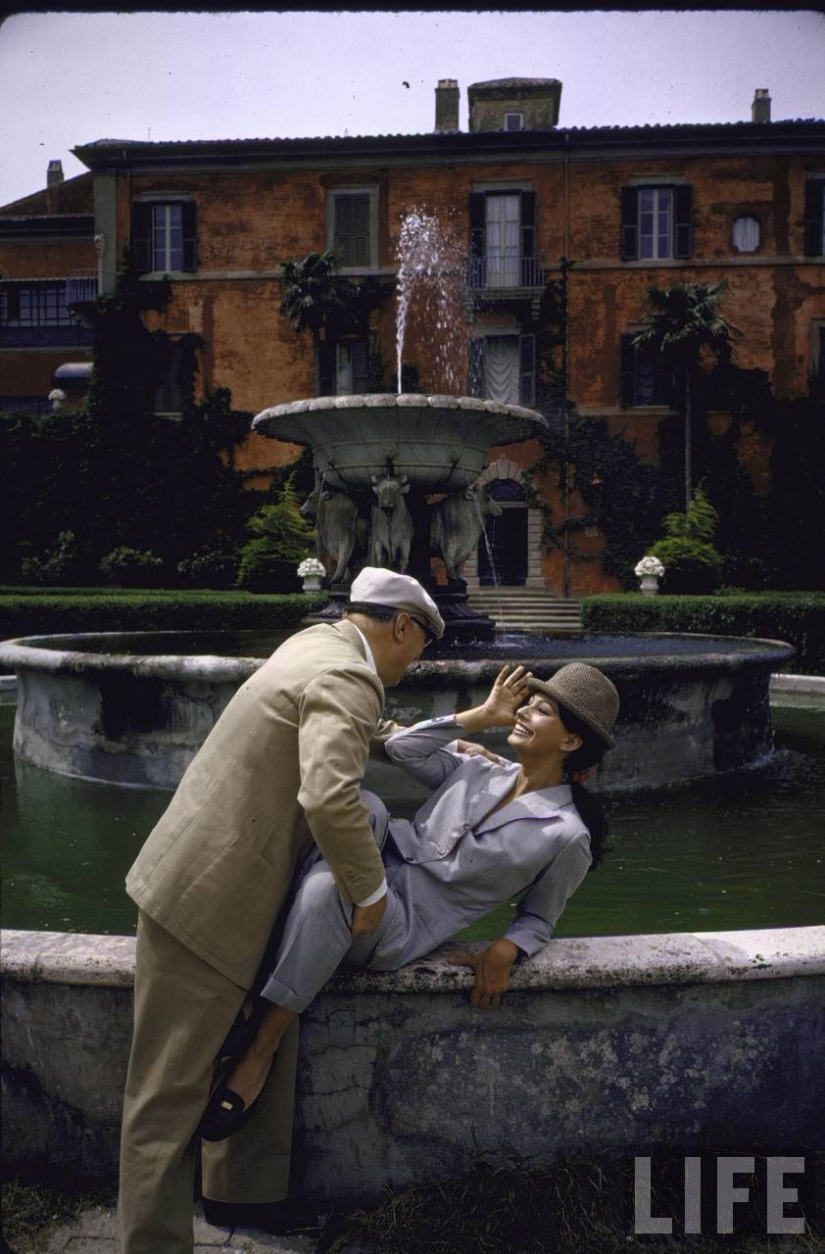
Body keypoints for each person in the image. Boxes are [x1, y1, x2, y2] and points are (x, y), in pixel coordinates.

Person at [117, 567, 445, 1254]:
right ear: (402, 626)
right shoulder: (348, 675)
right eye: (419, 646)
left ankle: (244, 1195)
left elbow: (341, 719)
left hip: (240, 887)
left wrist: (452, 728)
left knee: (267, 1041)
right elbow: (329, 796)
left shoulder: (315, 645)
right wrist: (370, 892)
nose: (414, 662)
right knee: (165, 1098)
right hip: (206, 900)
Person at [197, 660, 620, 1149]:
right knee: (366, 807)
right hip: (371, 869)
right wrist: (479, 717)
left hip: (396, 924)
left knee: (326, 888)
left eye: (541, 710)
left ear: (571, 741)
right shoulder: (476, 767)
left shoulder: (567, 835)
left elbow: (539, 918)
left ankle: (261, 1042)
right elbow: (401, 748)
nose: (523, 712)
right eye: (528, 703)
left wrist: (507, 948)